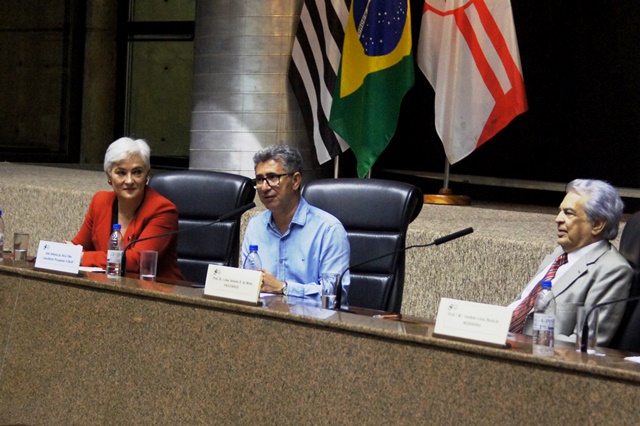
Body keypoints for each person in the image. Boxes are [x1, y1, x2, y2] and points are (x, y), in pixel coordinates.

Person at [508, 179, 633, 346]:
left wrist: (521, 340)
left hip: (537, 358)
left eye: (569, 213)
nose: (558, 219)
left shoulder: (612, 270)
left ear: (597, 224)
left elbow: (586, 344)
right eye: (560, 211)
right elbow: (521, 305)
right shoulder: (559, 254)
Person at [241, 144, 350, 298]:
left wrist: (284, 288)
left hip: (310, 319)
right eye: (259, 179)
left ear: (295, 181)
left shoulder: (328, 229)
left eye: (273, 177)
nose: (264, 187)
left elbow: (335, 294)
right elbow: (246, 283)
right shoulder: (255, 226)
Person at [70, 137, 185, 281]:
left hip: (160, 295)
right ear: (109, 176)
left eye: (137, 172)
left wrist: (84, 257)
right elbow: (76, 247)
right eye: (121, 173)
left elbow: (137, 261)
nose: (130, 180)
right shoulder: (100, 202)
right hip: (111, 290)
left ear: (147, 174)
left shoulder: (163, 210)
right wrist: (65, 254)